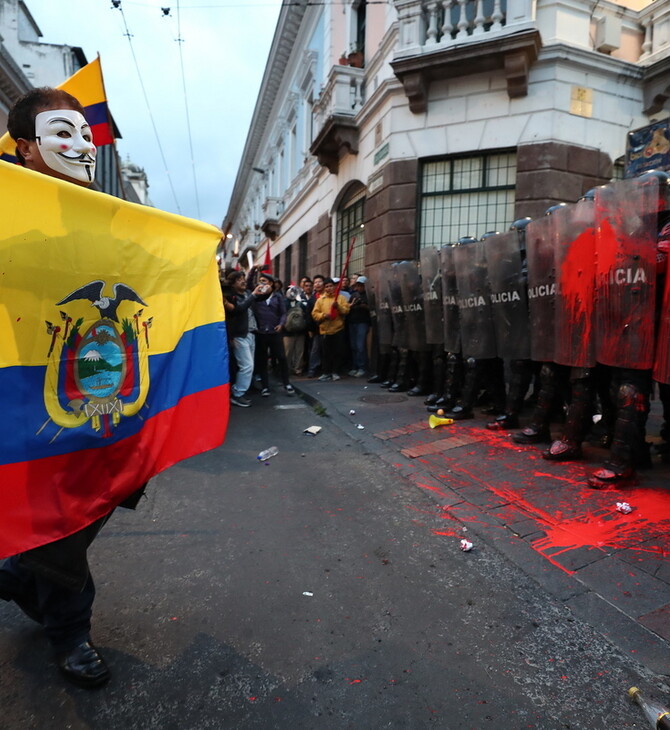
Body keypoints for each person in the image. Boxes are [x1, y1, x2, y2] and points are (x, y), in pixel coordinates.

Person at [0, 87, 146, 688]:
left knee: (72, 517)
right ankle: (60, 621)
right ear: (25, 148)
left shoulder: (106, 214)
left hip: (92, 400)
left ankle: (38, 595)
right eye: (64, 134)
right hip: (16, 400)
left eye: (86, 134)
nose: (82, 146)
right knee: (45, 520)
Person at [223, 271, 265, 407]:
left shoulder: (247, 293)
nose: (243, 281)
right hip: (239, 335)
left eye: (243, 278)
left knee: (247, 366)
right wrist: (253, 295)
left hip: (251, 333)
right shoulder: (231, 296)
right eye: (239, 279)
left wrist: (267, 290)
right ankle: (237, 393)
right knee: (247, 366)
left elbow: (260, 297)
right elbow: (238, 309)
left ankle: (239, 391)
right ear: (233, 283)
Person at [251, 271, 294, 396]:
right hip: (261, 333)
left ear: (271, 284)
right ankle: (265, 386)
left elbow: (283, 313)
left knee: (281, 357)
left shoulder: (278, 297)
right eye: (260, 281)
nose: (262, 283)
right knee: (262, 360)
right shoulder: (257, 297)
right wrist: (253, 271)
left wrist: (281, 324)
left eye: (264, 281)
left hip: (275, 332)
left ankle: (287, 383)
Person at [311, 278, 351, 380]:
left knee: (338, 352)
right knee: (325, 353)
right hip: (325, 330)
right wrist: (324, 316)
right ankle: (326, 372)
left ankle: (335, 372)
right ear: (324, 288)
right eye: (327, 286)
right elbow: (315, 314)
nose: (329, 288)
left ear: (335, 286)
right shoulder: (320, 300)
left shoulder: (340, 298)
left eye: (331, 286)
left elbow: (346, 310)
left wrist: (338, 307)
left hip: (338, 329)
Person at [347, 275, 371, 376]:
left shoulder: (369, 295)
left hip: (362, 322)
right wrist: (352, 305)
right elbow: (347, 307)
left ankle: (362, 367)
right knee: (353, 346)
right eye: (358, 285)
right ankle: (355, 366)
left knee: (360, 346)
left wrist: (363, 305)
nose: (360, 287)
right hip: (352, 322)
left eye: (361, 285)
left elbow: (372, 308)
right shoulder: (354, 295)